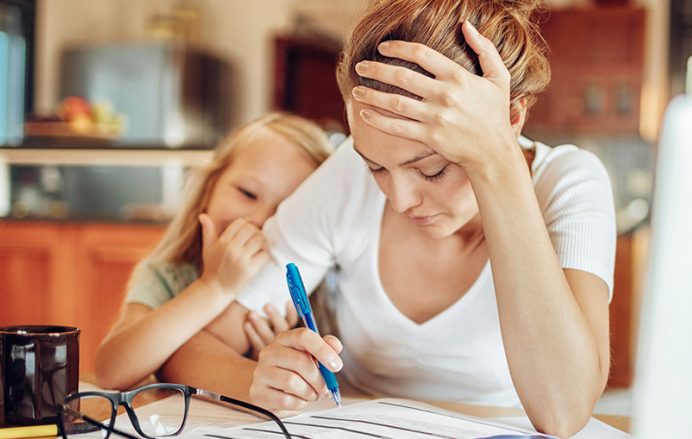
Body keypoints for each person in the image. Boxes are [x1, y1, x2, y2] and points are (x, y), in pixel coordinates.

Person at [160, 0, 616, 436]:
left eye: (432, 169)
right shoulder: (347, 178)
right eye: (376, 166)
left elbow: (563, 411)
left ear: (511, 119)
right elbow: (193, 348)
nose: (399, 200)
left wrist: (498, 163)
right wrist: (262, 379)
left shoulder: (567, 184)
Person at [95, 113, 333, 390]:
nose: (260, 219)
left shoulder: (315, 288)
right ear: (209, 188)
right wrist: (215, 286)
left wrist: (272, 358)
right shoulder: (169, 274)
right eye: (247, 193)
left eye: (284, 211)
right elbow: (111, 371)